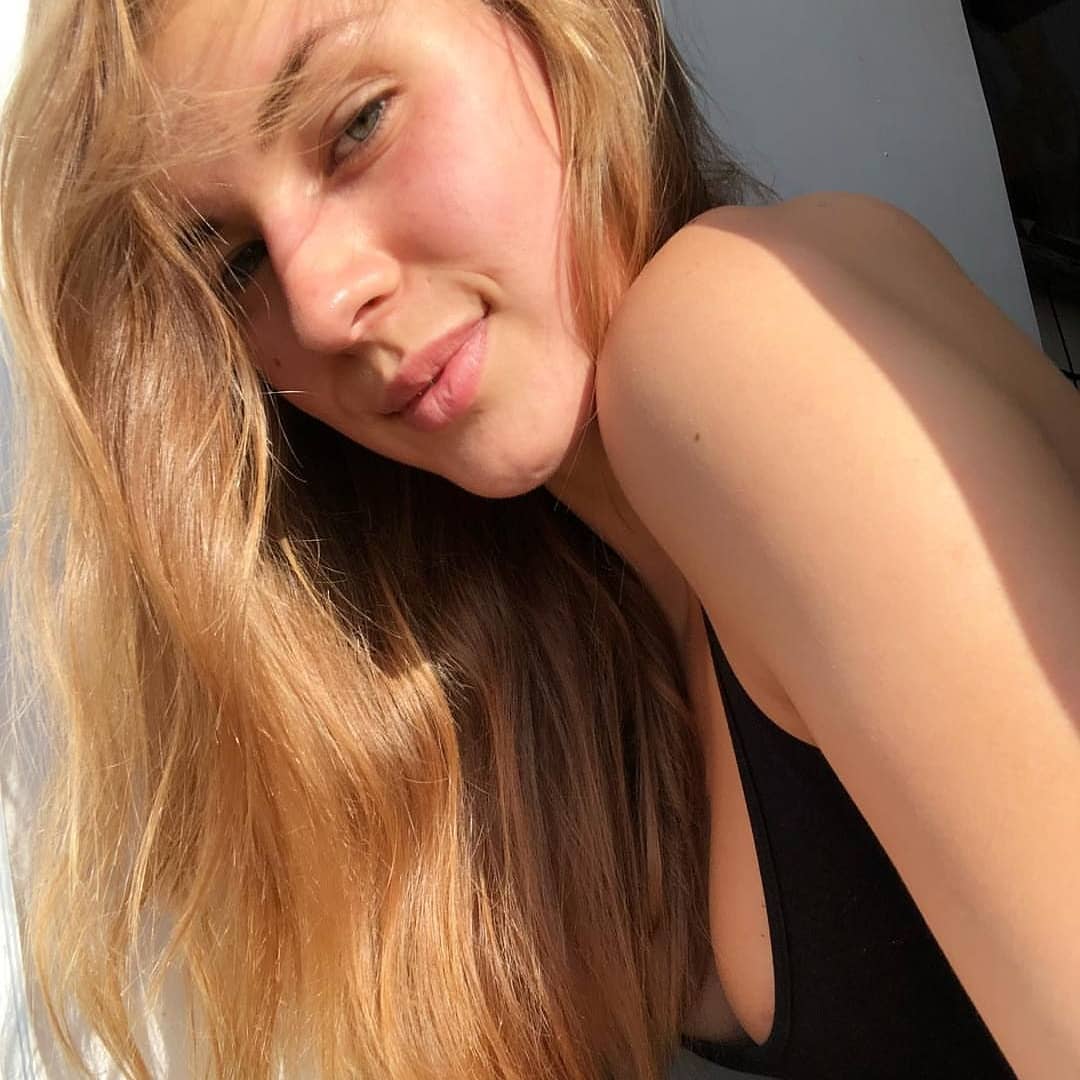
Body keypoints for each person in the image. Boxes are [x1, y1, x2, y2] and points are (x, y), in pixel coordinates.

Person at [1, 0, 1078, 1077]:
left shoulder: (727, 338)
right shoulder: (584, 616)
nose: (320, 305)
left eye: (359, 124)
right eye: (236, 264)